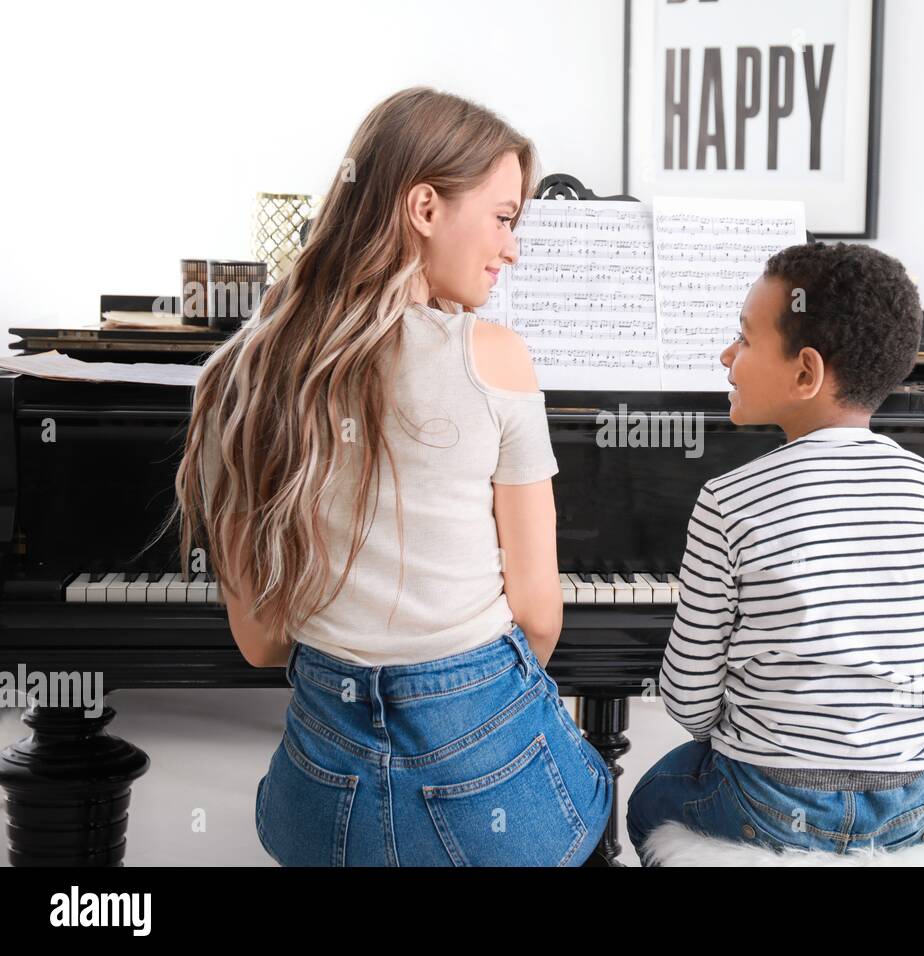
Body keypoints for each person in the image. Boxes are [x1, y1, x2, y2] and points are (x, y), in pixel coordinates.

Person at [173, 87, 612, 866]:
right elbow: (539, 616)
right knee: (590, 796)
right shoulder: (496, 358)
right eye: (506, 217)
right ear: (424, 207)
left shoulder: (239, 371)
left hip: (322, 803)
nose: (513, 248)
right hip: (489, 786)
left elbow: (261, 642)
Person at [626, 242, 924, 862]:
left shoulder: (730, 498)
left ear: (806, 373)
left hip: (769, 803)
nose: (727, 356)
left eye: (743, 339)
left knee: (648, 800)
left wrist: (759, 736)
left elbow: (688, 697)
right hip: (915, 803)